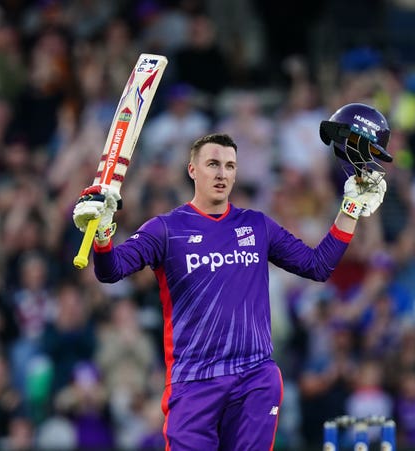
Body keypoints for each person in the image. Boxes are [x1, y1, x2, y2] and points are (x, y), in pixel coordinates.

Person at [72, 103, 391, 450]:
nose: (222, 174)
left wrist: (350, 210)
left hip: (254, 376)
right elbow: (111, 271)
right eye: (212, 165)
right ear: (192, 170)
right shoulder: (165, 229)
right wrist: (102, 235)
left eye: (229, 166)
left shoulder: (256, 225)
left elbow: (318, 266)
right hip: (194, 381)